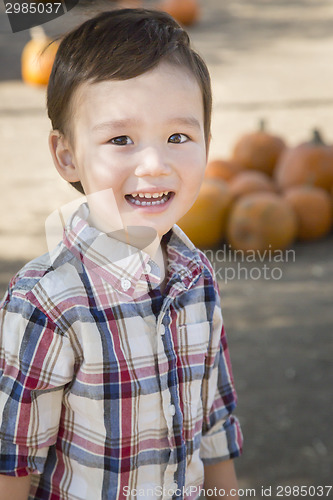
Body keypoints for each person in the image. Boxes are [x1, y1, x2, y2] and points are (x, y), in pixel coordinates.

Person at [0, 8, 243, 500]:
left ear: (207, 143)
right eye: (120, 139)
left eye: (178, 137)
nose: (154, 164)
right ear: (66, 154)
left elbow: (213, 424)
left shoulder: (196, 277)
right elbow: (12, 463)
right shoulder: (48, 302)